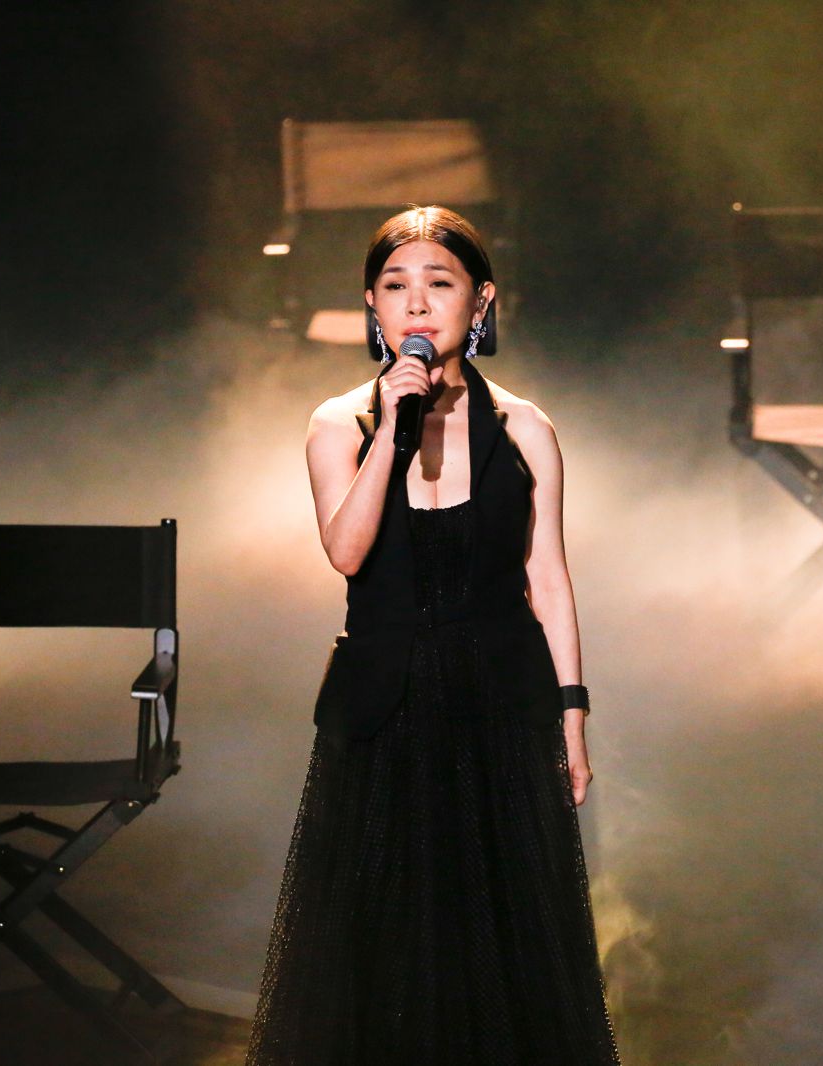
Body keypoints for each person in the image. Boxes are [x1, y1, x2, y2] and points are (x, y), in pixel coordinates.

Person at [246, 206, 619, 1065]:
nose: (416, 304)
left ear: (480, 301)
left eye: (439, 283)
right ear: (371, 306)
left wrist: (572, 714)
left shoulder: (525, 428)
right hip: (384, 712)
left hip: (501, 708)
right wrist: (391, 429)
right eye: (395, 286)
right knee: (377, 939)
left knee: (505, 939)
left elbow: (549, 577)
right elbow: (346, 552)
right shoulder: (339, 424)